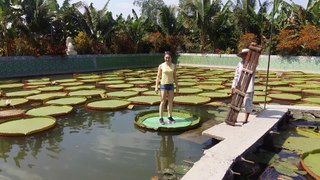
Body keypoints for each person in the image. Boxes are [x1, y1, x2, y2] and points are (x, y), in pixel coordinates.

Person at [231, 48, 255, 124]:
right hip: (239, 86)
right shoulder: (240, 64)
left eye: (246, 55)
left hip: (248, 87)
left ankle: (246, 119)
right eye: (243, 55)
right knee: (236, 103)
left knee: (247, 103)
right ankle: (234, 118)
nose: (244, 56)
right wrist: (233, 86)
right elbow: (236, 75)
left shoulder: (253, 63)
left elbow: (257, 57)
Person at [155, 51, 179, 125]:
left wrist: (177, 86)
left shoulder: (173, 66)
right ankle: (161, 118)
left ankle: (170, 117)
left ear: (171, 58)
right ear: (164, 58)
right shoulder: (161, 66)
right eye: (166, 57)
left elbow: (175, 77)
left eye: (168, 57)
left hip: (171, 85)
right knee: (163, 101)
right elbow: (158, 77)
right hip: (163, 85)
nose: (167, 59)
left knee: (170, 101)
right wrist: (156, 86)